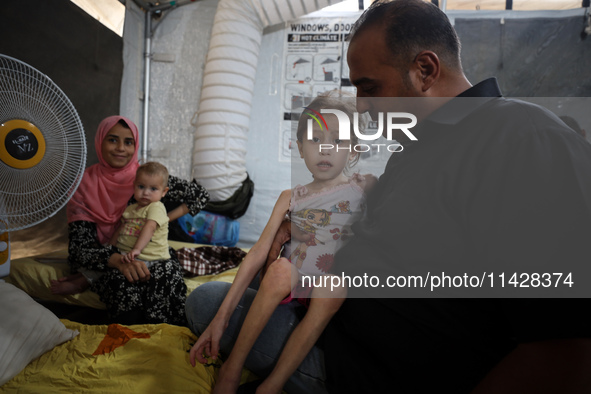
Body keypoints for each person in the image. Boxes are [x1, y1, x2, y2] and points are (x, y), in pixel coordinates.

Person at [268, 1, 591, 393]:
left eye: (370, 88)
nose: (363, 107)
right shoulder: (417, 149)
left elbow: (564, 353)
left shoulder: (525, 141)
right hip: (331, 324)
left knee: (211, 303)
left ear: (425, 71)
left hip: (363, 370)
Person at [186, 92, 374, 394]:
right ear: (299, 148)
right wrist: (220, 320)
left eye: (338, 141)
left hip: (325, 294)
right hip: (288, 284)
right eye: (314, 139)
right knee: (279, 270)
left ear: (353, 150)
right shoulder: (291, 197)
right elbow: (259, 252)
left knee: (334, 287)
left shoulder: (364, 189)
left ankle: (272, 385)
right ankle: (232, 369)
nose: (325, 149)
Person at [51, 115, 209, 325]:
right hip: (108, 256)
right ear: (100, 141)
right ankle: (129, 345)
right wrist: (116, 261)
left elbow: (200, 195)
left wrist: (161, 220)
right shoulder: (84, 184)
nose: (120, 148)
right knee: (123, 284)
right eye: (112, 139)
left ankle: (165, 341)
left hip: (148, 252)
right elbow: (80, 249)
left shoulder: (146, 177)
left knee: (166, 275)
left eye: (128, 142)